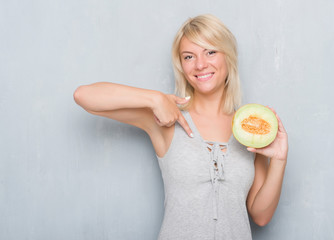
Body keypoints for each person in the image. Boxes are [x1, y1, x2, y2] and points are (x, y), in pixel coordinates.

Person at [74, 14, 288, 240]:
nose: (200, 64)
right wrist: (154, 99)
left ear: (228, 56)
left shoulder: (250, 129)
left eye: (211, 52)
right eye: (189, 56)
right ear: (182, 66)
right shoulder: (167, 119)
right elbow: (84, 96)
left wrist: (279, 160)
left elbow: (261, 216)